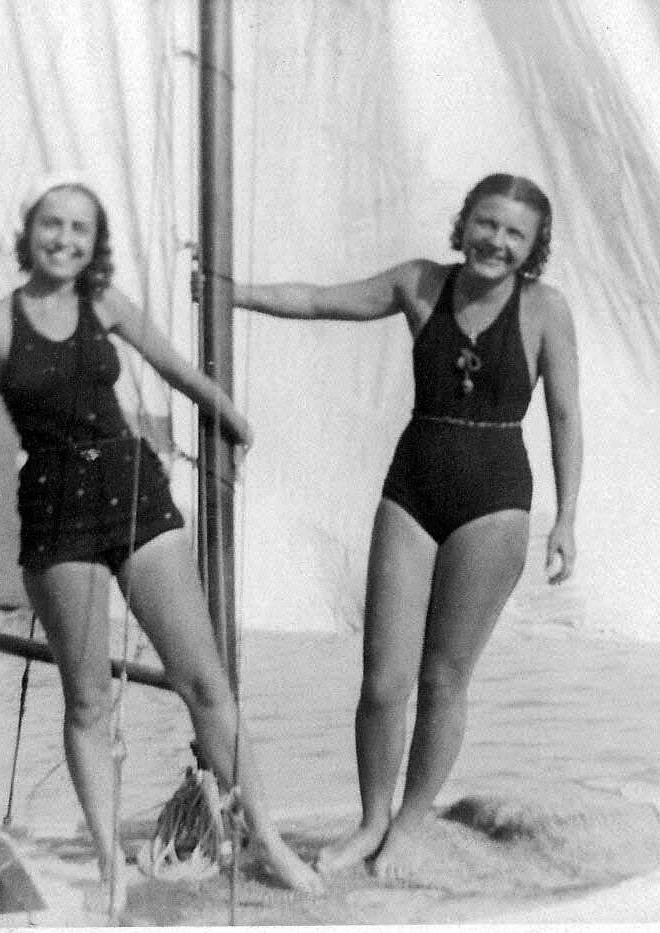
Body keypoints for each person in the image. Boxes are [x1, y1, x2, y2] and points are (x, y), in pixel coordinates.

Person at [0, 172, 323, 914]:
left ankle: (267, 837)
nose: (64, 240)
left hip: (133, 493)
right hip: (55, 513)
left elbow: (173, 365)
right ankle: (112, 867)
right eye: (52, 225)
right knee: (88, 701)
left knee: (205, 683)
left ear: (93, 243)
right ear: (29, 232)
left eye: (79, 229)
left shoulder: (103, 303)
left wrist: (227, 412)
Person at [232, 173, 583, 879]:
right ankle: (370, 820)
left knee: (445, 677)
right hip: (412, 487)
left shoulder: (545, 309)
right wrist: (229, 291)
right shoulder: (420, 283)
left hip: (494, 500)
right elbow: (316, 301)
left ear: (532, 245)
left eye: (514, 232)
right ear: (466, 223)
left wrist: (565, 519)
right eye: (486, 223)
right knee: (382, 678)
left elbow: (566, 416)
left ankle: (410, 822)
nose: (496, 240)